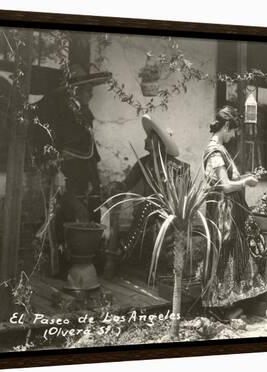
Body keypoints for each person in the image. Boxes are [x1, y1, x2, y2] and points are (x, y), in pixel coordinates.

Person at [202, 106, 267, 319]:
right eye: (232, 131)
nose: (233, 136)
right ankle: (219, 305)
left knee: (244, 250)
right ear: (225, 127)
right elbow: (225, 186)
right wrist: (246, 182)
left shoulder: (221, 150)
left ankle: (237, 300)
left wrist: (243, 179)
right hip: (224, 211)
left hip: (231, 209)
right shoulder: (215, 151)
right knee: (226, 254)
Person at [31, 64, 112, 247]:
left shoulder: (85, 113)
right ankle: (62, 257)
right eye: (87, 90)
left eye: (91, 90)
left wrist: (96, 180)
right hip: (66, 173)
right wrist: (57, 172)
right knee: (72, 212)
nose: (91, 94)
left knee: (91, 212)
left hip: (85, 173)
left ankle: (87, 256)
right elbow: (51, 143)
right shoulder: (59, 111)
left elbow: (89, 149)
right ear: (75, 90)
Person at [105, 115, 189, 272]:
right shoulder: (143, 163)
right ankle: (122, 250)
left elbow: (184, 195)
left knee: (148, 205)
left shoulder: (177, 167)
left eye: (149, 138)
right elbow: (127, 184)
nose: (145, 140)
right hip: (148, 211)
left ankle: (123, 250)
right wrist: (116, 188)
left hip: (169, 212)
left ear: (158, 142)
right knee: (147, 205)